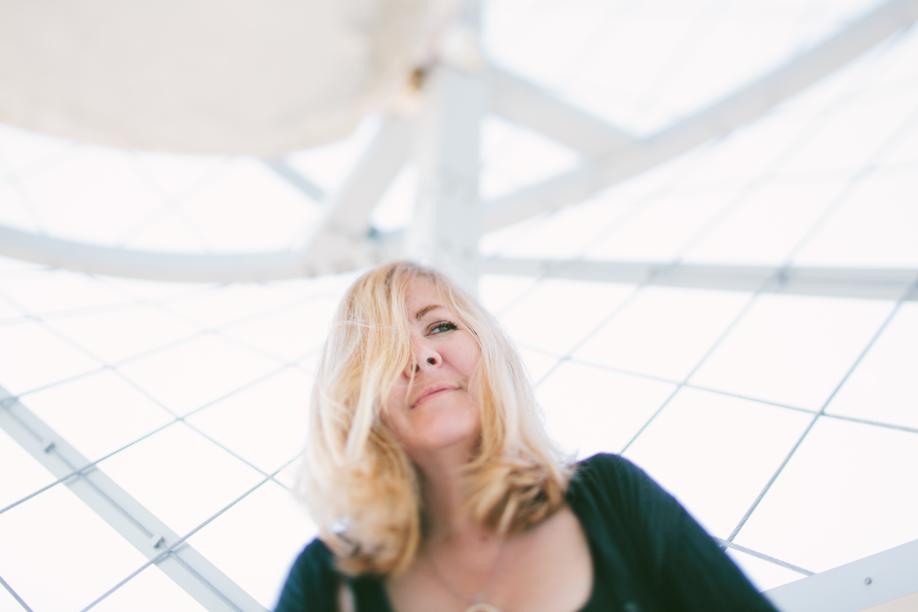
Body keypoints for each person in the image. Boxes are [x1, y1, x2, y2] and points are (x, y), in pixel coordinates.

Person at [276, 260, 777, 612]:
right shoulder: (326, 581)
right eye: (384, 347)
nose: (422, 356)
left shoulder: (610, 499)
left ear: (489, 350)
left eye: (441, 326)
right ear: (354, 395)